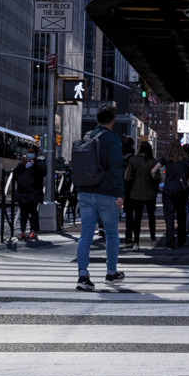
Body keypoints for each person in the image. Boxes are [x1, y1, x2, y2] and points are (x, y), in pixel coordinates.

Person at [74, 103, 127, 290]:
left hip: (85, 191)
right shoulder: (112, 139)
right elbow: (116, 168)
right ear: (113, 120)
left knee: (85, 235)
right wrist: (120, 194)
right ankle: (111, 273)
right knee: (112, 234)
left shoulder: (87, 136)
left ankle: (83, 276)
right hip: (106, 193)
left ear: (97, 119)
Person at [123, 142, 158, 249]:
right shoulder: (153, 162)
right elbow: (157, 178)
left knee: (137, 218)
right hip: (150, 193)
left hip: (136, 193)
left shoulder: (133, 160)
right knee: (151, 217)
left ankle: (136, 242)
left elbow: (127, 177)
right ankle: (152, 238)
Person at [157, 146, 189, 247]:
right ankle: (181, 240)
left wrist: (158, 179)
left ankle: (170, 242)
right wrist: (187, 181)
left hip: (168, 190)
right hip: (180, 190)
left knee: (169, 217)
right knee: (181, 216)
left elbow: (153, 170)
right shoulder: (185, 159)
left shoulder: (166, 158)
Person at [11, 151, 47, 241]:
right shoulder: (24, 164)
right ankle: (27, 232)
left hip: (30, 193)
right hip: (27, 192)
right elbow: (15, 174)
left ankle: (31, 232)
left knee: (30, 213)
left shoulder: (38, 164)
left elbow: (43, 173)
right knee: (28, 213)